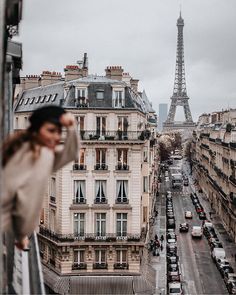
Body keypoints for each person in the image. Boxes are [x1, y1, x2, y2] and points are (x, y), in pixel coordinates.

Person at [2, 106, 79, 250]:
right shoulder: (28, 155)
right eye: (50, 131)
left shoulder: (43, 154)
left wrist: (71, 127)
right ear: (36, 130)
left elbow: (71, 154)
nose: (56, 137)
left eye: (58, 132)